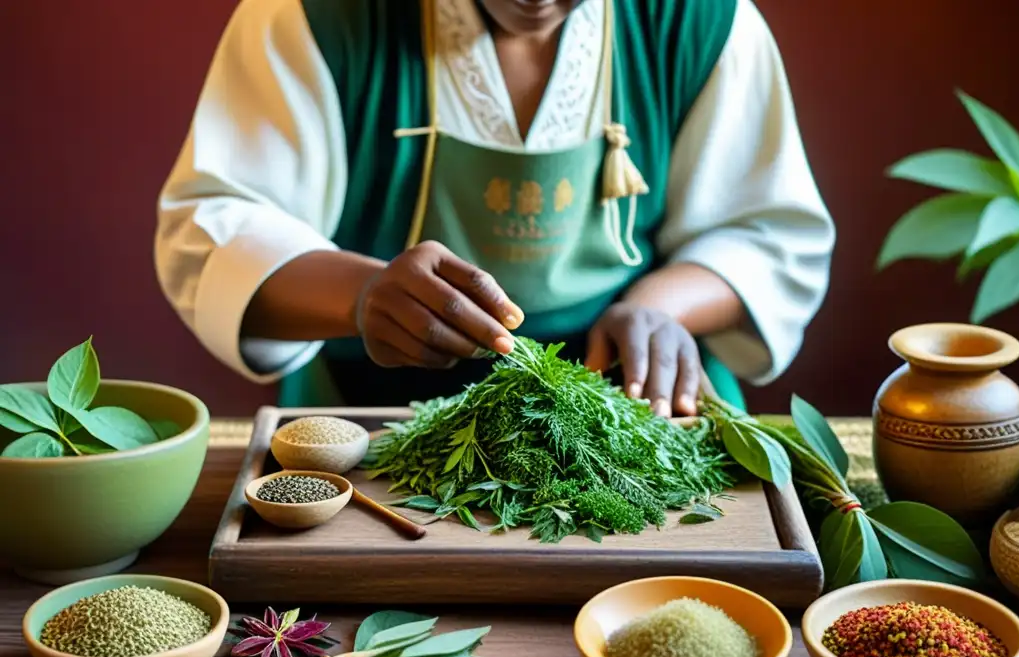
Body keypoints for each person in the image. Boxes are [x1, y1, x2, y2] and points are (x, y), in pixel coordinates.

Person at [155, 0, 834, 416]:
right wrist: (366, 294)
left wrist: (661, 308)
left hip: (629, 404)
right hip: (376, 412)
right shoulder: (311, 13)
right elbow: (211, 229)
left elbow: (769, 231)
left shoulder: (702, 19)